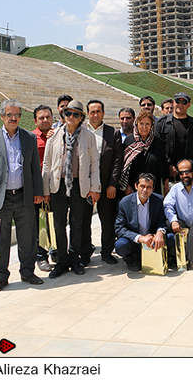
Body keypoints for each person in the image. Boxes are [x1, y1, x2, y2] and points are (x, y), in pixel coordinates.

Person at [0, 99, 44, 293]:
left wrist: (38, 192)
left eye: (17, 115)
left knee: (28, 238)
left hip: (24, 196)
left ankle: (28, 272)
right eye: (9, 115)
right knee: (0, 240)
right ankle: (0, 278)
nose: (13, 118)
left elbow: (35, 168)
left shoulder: (29, 138)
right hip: (0, 198)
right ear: (2, 116)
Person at [42, 100, 101, 278]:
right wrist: (45, 190)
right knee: (59, 224)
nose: (71, 117)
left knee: (77, 224)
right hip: (58, 185)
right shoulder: (54, 135)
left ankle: (75, 260)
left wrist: (94, 188)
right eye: (68, 113)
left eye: (76, 114)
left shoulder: (88, 136)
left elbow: (94, 164)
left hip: (78, 185)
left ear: (81, 117)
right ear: (64, 115)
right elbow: (47, 163)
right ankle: (62, 261)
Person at [87, 99, 123, 265]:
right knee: (83, 221)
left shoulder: (112, 132)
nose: (95, 115)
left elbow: (117, 160)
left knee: (107, 220)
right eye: (92, 112)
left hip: (106, 183)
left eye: (98, 111)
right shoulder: (81, 131)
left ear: (103, 113)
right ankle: (84, 253)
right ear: (88, 114)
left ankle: (107, 252)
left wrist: (112, 184)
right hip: (86, 185)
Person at [114, 173, 171, 271]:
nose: (145, 190)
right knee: (121, 245)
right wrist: (140, 238)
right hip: (135, 240)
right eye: (142, 186)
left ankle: (167, 257)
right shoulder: (125, 202)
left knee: (171, 238)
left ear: (152, 189)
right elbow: (119, 228)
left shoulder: (158, 200)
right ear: (136, 186)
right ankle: (131, 258)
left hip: (152, 239)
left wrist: (160, 232)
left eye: (149, 187)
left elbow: (162, 221)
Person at [156, 92, 193, 183]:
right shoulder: (162, 123)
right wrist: (168, 166)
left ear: (189, 105)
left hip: (188, 172)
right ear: (173, 103)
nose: (180, 105)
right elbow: (158, 147)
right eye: (178, 101)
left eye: (184, 102)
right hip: (167, 173)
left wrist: (190, 167)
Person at [120, 111, 166, 195]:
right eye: (141, 123)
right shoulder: (129, 141)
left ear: (152, 126)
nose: (144, 127)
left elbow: (163, 167)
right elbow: (123, 166)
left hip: (153, 190)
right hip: (132, 190)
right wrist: (127, 186)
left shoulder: (158, 142)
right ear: (136, 124)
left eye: (147, 124)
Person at [31, 104, 54, 271]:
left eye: (48, 117)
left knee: (57, 222)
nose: (45, 120)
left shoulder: (59, 135)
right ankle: (41, 256)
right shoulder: (30, 138)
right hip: (38, 190)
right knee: (40, 225)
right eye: (41, 118)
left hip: (56, 188)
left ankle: (57, 252)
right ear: (35, 121)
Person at [163, 159, 193, 233]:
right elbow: (167, 205)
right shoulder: (175, 189)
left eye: (187, 172)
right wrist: (173, 220)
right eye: (181, 173)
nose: (184, 175)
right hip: (184, 229)